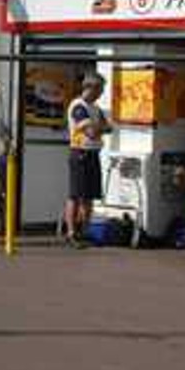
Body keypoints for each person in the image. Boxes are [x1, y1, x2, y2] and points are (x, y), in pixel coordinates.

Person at [64, 74, 112, 247]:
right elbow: (91, 133)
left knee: (90, 196)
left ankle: (84, 231)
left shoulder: (96, 108)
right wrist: (100, 127)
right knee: (75, 195)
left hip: (93, 153)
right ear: (91, 87)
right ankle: (71, 233)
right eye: (100, 89)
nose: (102, 93)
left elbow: (109, 127)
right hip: (80, 153)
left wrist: (98, 127)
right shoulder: (78, 106)